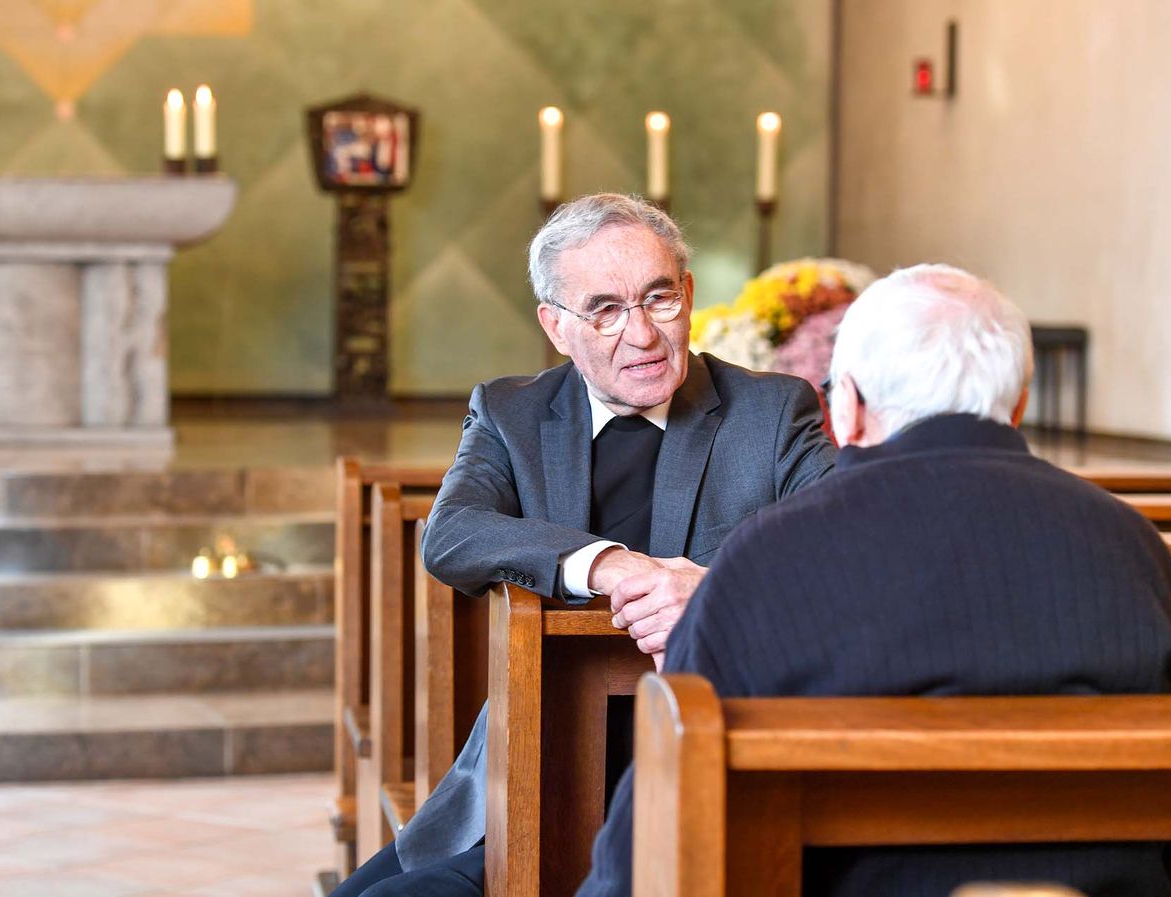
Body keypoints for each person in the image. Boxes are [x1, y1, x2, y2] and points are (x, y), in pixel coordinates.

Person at [577, 263, 1171, 897]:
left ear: (851, 406)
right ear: (1018, 404)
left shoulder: (766, 557)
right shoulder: (1131, 545)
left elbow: (657, 835)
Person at [332, 193, 837, 897]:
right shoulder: (512, 412)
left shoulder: (773, 411)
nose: (642, 334)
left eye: (659, 298)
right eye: (604, 309)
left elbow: (840, 550)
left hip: (708, 771)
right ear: (556, 326)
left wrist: (711, 588)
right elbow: (451, 533)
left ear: (688, 294)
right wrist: (605, 562)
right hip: (542, 773)